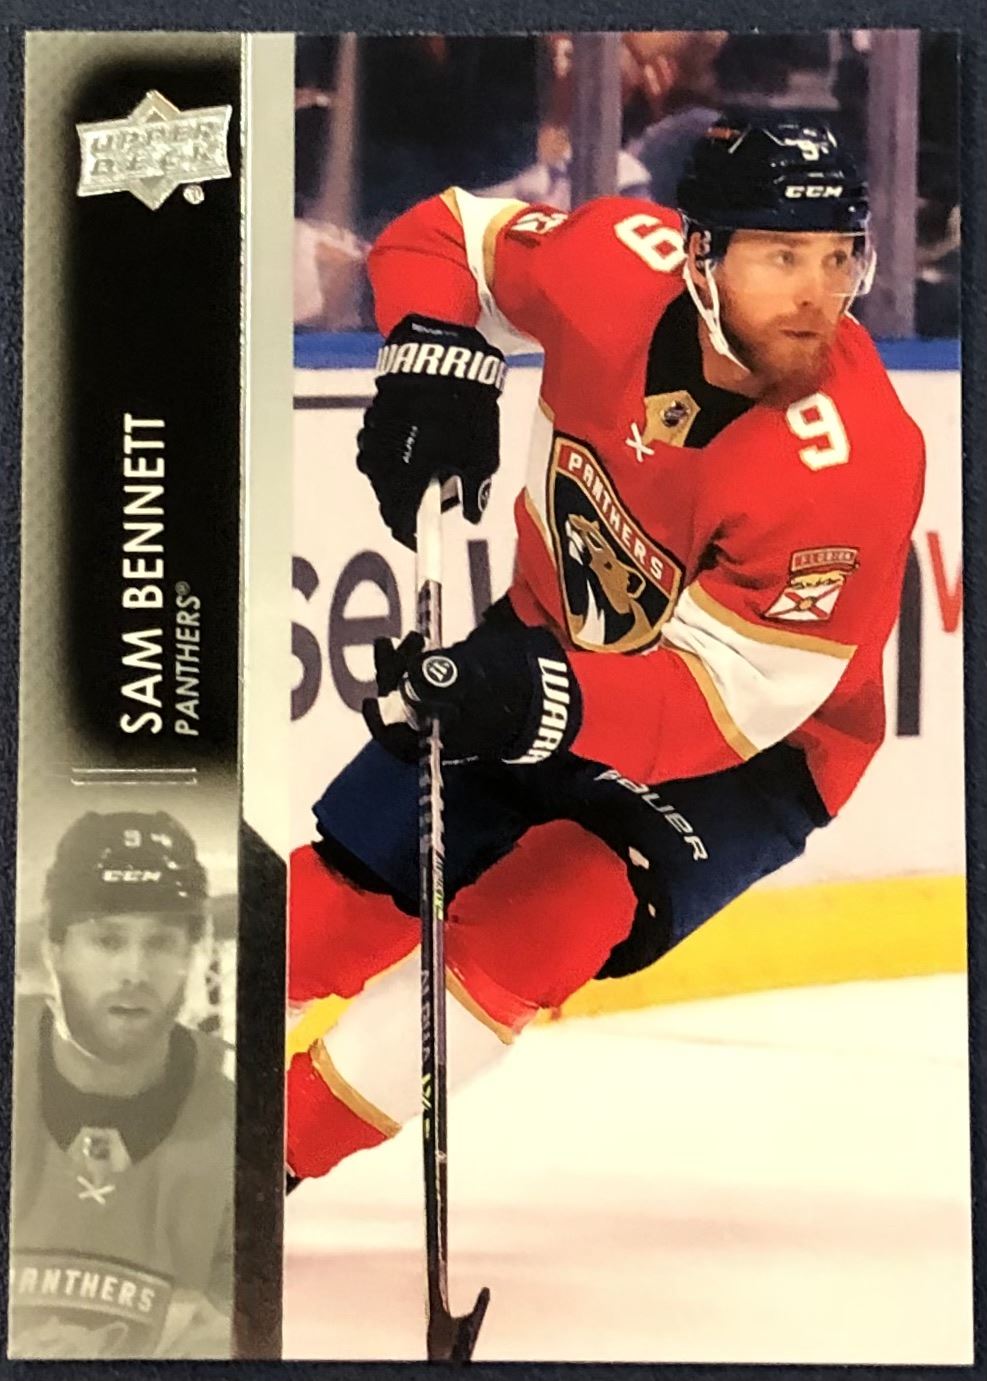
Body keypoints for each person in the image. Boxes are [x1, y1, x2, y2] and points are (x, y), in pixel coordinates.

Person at [286, 114, 925, 1185]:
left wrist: (532, 696)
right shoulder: (611, 266)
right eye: (781, 256)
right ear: (698, 255)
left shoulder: (853, 461)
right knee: (344, 897)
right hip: (544, 648)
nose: (818, 293)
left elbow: (727, 705)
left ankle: (257, 1162)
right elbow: (443, 235)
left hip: (755, 756)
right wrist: (428, 353)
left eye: (837, 258)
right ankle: (154, 1089)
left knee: (549, 914)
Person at [8, 812, 234, 1359]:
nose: (134, 971)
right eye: (107, 940)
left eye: (161, 942)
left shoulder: (241, 1122)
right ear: (53, 948)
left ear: (192, 955)